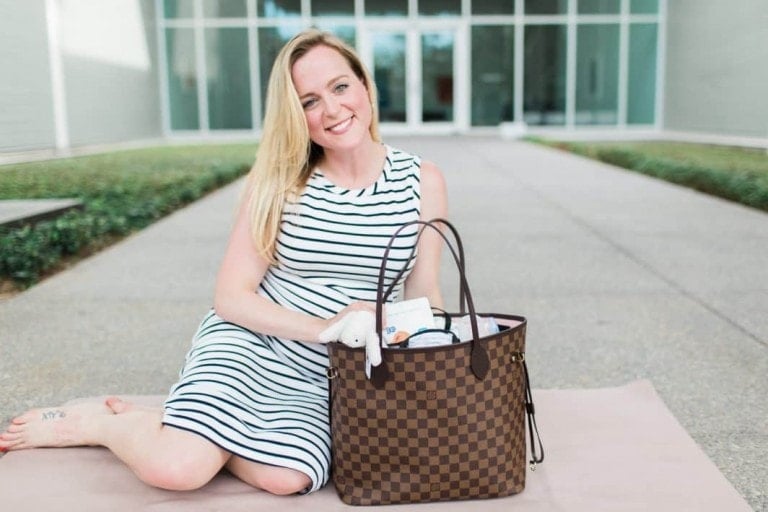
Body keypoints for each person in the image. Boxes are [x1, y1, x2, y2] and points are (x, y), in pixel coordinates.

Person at [0, 28, 447, 496]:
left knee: (289, 478)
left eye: (340, 87)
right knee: (178, 470)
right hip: (252, 344)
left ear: (364, 85)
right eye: (309, 101)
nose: (332, 110)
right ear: (296, 115)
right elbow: (231, 297)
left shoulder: (423, 182)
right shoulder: (278, 182)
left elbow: (423, 293)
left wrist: (430, 357)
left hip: (335, 371)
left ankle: (180, 425)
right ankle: (103, 425)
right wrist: (327, 326)